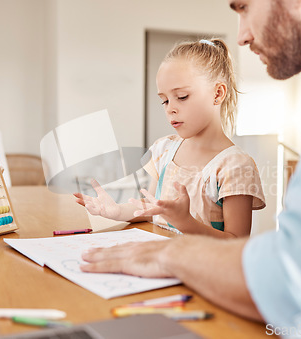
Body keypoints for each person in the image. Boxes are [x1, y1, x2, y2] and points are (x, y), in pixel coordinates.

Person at [80, 0, 301, 337]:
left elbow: (300, 284)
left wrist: (171, 252)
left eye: (244, 7)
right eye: (165, 100)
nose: (242, 37)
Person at [74, 38, 265, 238]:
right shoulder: (164, 149)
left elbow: (238, 244)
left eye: (182, 97)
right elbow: (152, 208)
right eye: (164, 100)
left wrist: (186, 223)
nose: (170, 109)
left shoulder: (235, 166)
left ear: (217, 93)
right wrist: (116, 212)